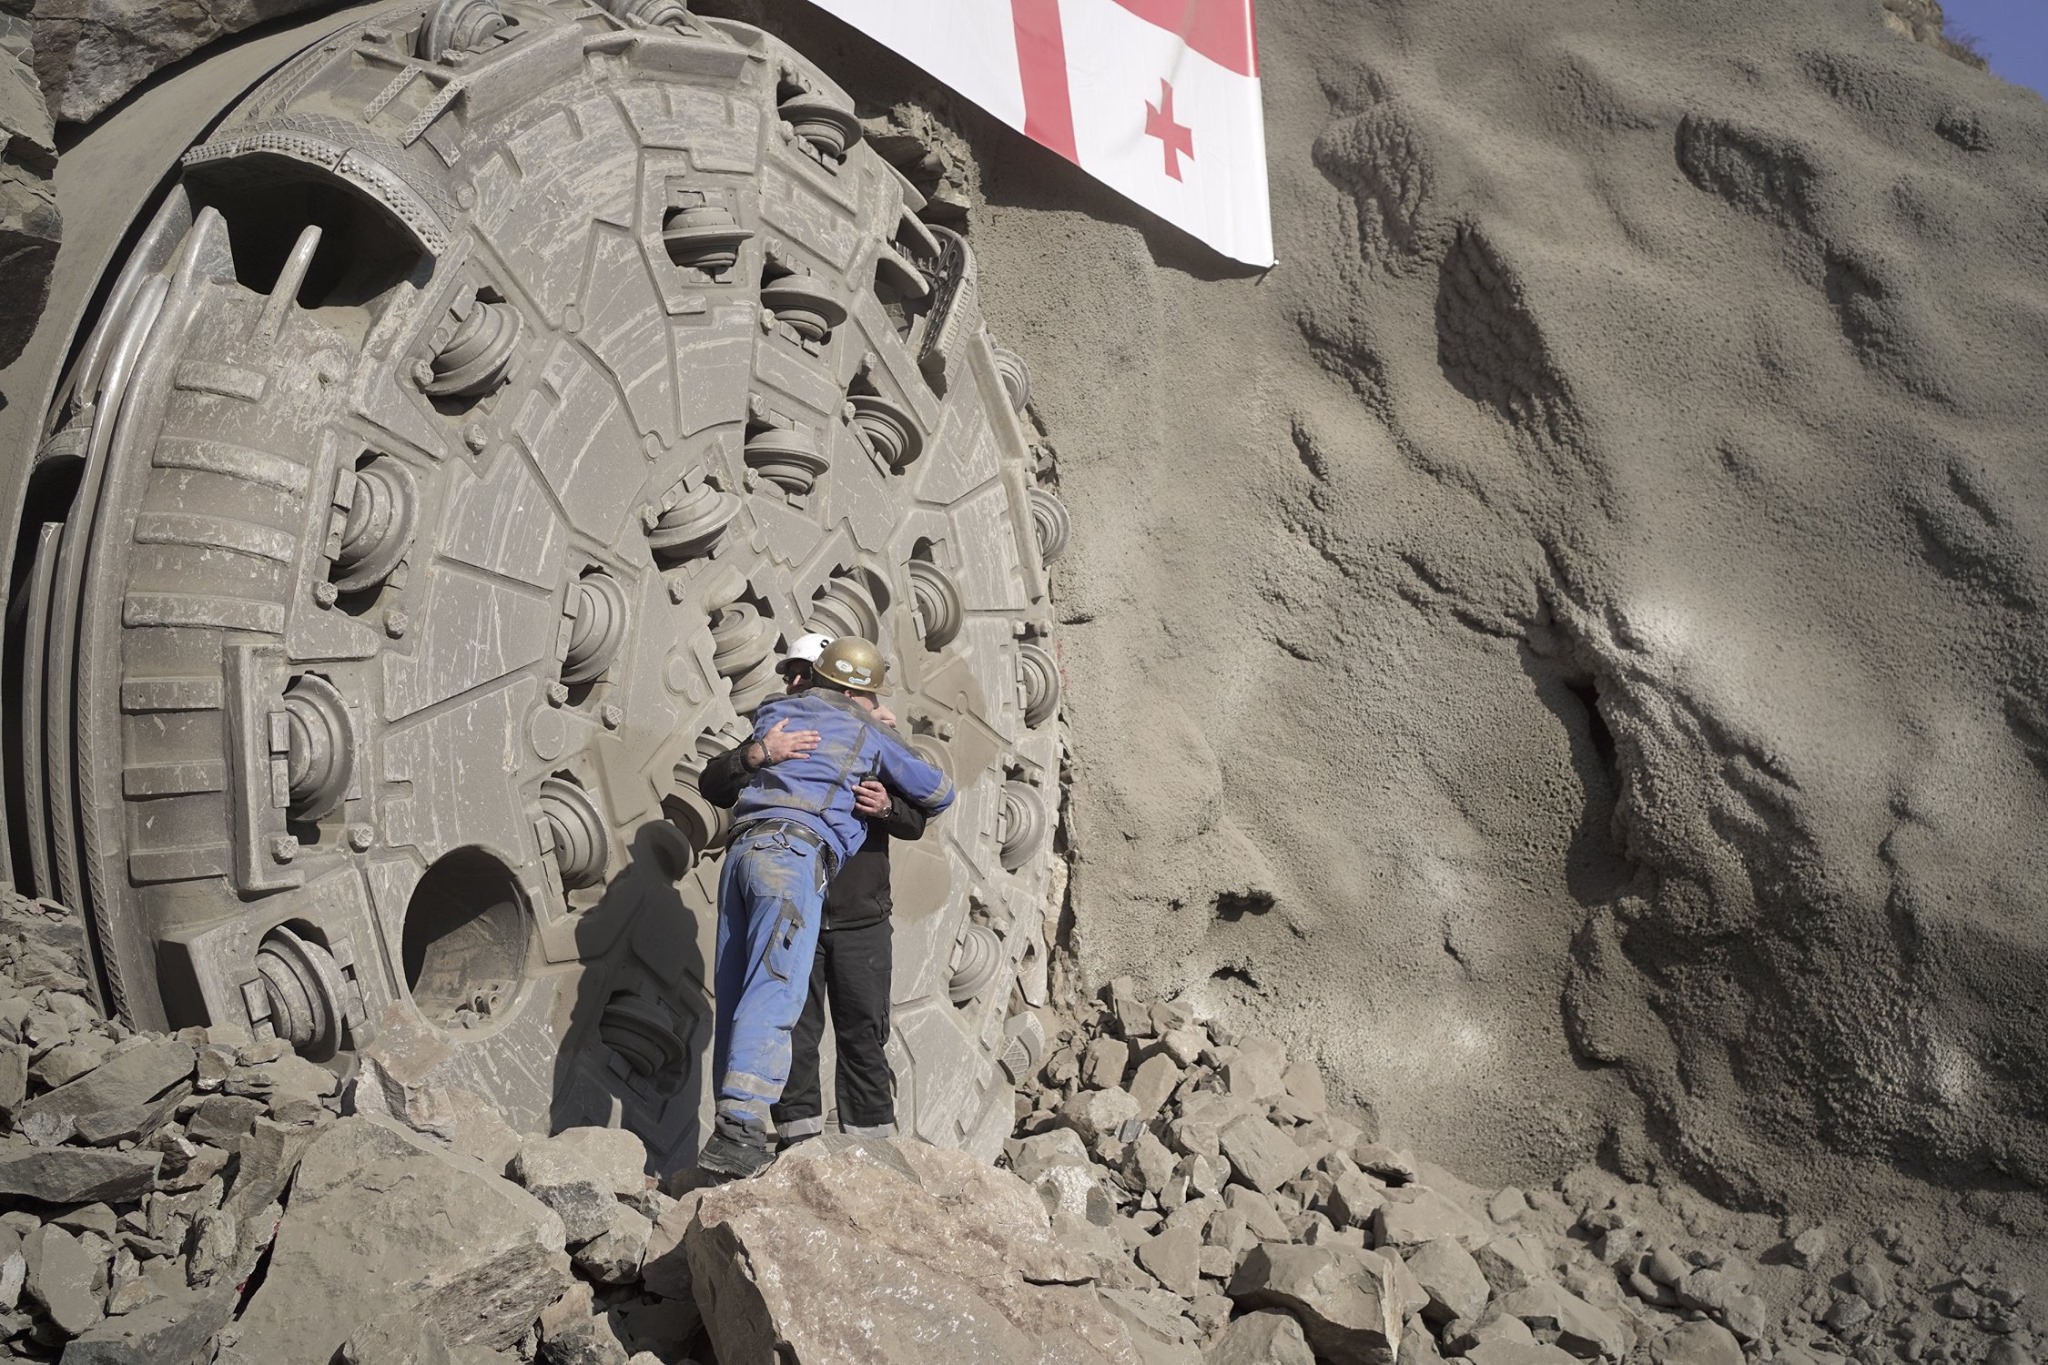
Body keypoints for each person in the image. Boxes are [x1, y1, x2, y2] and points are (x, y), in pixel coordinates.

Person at [697, 635, 954, 1178]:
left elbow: (913, 819)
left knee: (844, 1027)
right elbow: (940, 792)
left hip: (824, 897)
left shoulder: (778, 716)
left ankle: (855, 1157)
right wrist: (882, 739)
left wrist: (886, 802)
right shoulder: (838, 729)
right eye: (792, 673)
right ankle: (762, 1143)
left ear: (820, 677)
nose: (795, 682)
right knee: (784, 1009)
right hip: (794, 871)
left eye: (802, 671)